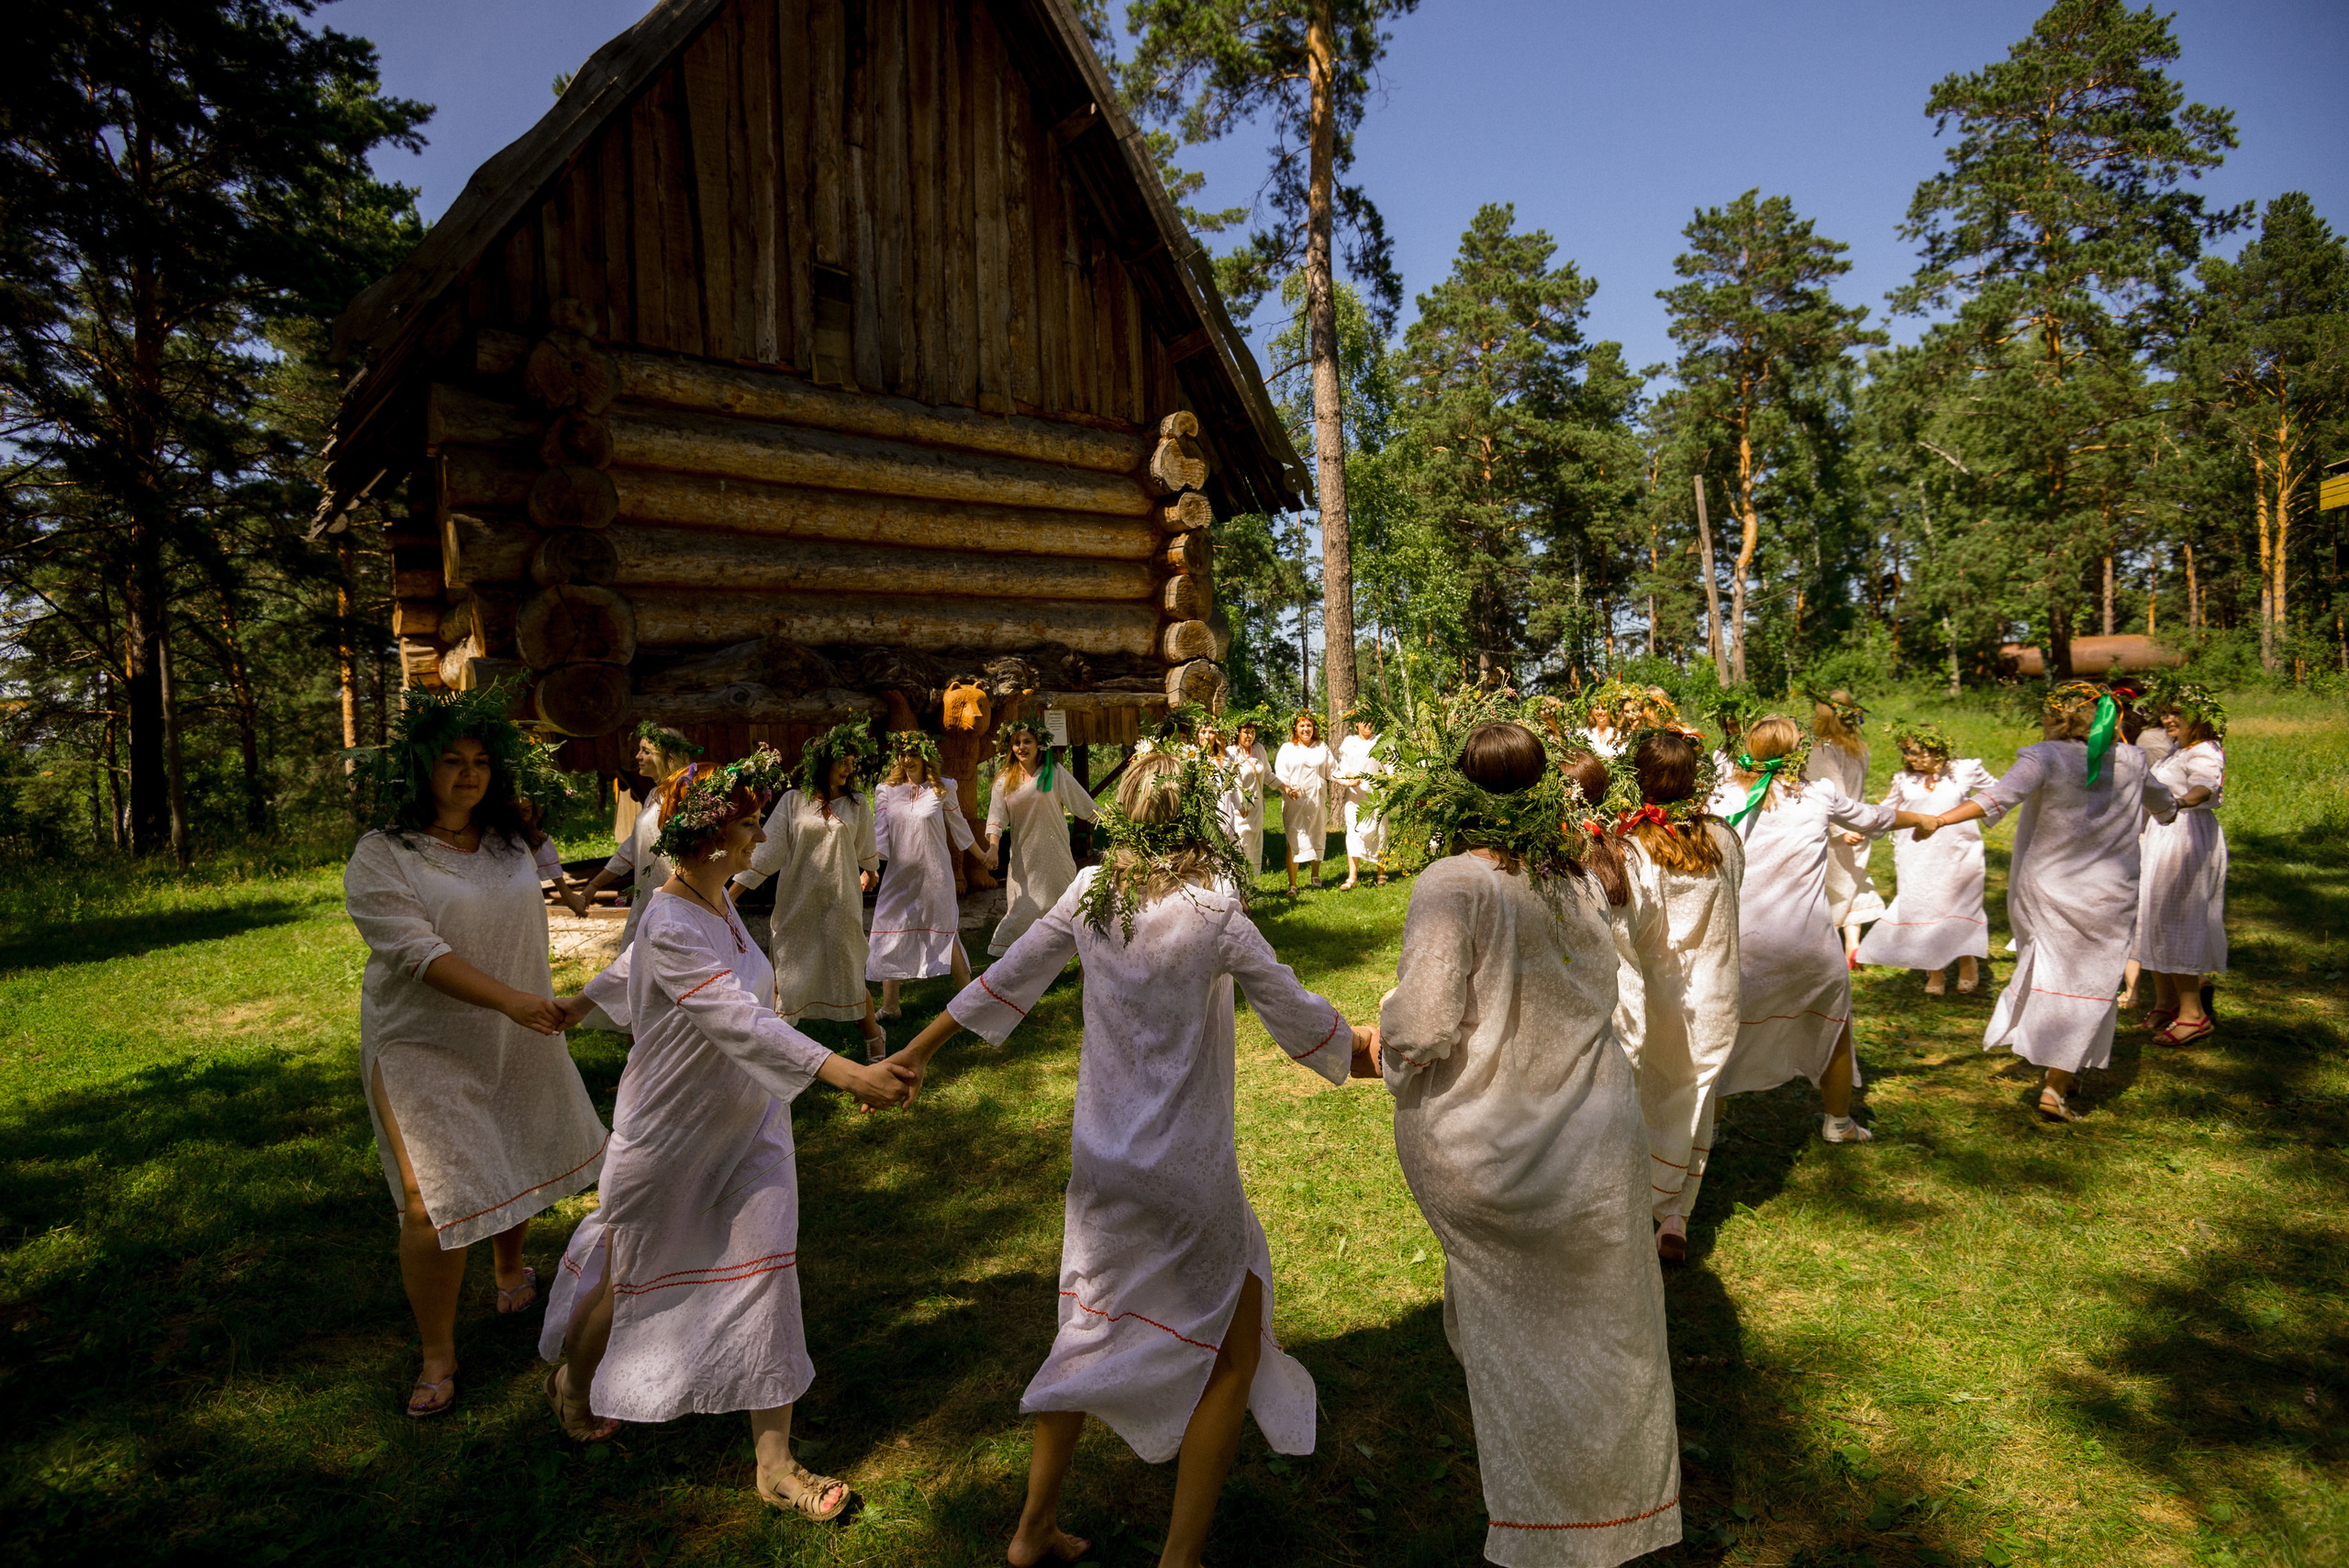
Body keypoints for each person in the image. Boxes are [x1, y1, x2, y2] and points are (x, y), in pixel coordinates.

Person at [888, 749, 1377, 1568]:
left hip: (1104, 1163)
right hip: (1188, 1169)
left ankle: (1032, 1526)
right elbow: (1298, 1015)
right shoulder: (1214, 909)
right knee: (1235, 1333)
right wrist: (1380, 1052)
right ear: (1196, 819)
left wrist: (917, 1051)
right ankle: (1178, 1556)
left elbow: (1006, 979)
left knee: (1085, 1331)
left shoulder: (1090, 895)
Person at [538, 750, 913, 1513]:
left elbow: (639, 961)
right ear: (709, 838)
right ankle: (573, 1383)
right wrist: (846, 1073)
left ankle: (774, 1466)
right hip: (670, 1134)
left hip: (750, 1127)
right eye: (747, 826)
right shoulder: (675, 918)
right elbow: (733, 1015)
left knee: (770, 1273)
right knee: (630, 1272)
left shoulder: (717, 903)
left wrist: (579, 1003)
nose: (757, 839)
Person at [1376, 712, 1682, 1565]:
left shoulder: (1454, 882)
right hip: (1597, 1146)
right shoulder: (1574, 874)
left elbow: (1425, 1024)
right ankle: (1627, 1517)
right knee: (1610, 1335)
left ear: (1454, 792)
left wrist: (1381, 1042)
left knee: (1523, 1339)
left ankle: (1545, 1528)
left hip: (1495, 1151)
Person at [341, 685, 610, 1418]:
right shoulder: (382, 855)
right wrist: (514, 1000)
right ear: (420, 769)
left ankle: (510, 1263)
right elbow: (414, 952)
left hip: (513, 1027)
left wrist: (524, 1003)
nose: (469, 773)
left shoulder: (507, 838)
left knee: (515, 1147)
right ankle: (438, 1351)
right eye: (452, 760)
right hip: (422, 1040)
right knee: (430, 1201)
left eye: (482, 760)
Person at [1912, 682, 2177, 1121]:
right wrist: (2181, 805)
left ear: (2057, 718)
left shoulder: (2044, 755)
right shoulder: (2132, 759)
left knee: (2058, 967)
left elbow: (1997, 798)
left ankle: (2059, 1066)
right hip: (2109, 892)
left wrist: (1939, 819)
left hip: (2048, 885)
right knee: (2092, 979)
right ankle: (2059, 1078)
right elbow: (2164, 806)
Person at [1709, 716, 1936, 1143]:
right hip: (1808, 944)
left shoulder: (1718, 796)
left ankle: (1711, 1128)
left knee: (1723, 1036)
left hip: (1740, 943)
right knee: (1834, 1028)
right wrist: (1923, 819)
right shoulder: (1819, 795)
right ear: (1799, 755)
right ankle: (1838, 1123)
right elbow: (1875, 818)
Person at [1575, 732, 1745, 1264]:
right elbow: (1735, 897)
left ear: (1638, 777)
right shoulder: (1724, 836)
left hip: (1655, 990)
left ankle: (1631, 1205)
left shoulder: (1630, 848)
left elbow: (1624, 928)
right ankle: (1676, 1215)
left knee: (1648, 1091)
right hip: (1715, 987)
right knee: (1695, 1094)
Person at [729, 719, 887, 1057]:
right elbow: (770, 850)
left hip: (841, 900)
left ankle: (874, 1034)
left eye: (852, 761)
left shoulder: (857, 803)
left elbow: (865, 847)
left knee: (847, 967)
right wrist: (732, 894)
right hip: (797, 901)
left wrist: (870, 873)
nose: (848, 767)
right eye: (842, 760)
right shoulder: (793, 801)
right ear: (823, 762)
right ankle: (780, 1047)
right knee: (787, 970)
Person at [1851, 721, 1996, 996]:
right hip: (1917, 852)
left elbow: (1998, 794)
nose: (1910, 758)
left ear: (1937, 750)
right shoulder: (1904, 779)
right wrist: (1860, 827)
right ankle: (1934, 968)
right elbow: (1887, 810)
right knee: (1925, 904)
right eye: (1906, 752)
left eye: (1916, 752)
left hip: (1958, 849)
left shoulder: (1963, 770)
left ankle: (1967, 960)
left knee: (1960, 901)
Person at [2133, 682, 2227, 1045]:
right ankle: (2167, 1002)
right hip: (2161, 835)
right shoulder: (2176, 749)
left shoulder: (2205, 750)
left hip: (2186, 837)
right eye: (2165, 712)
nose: (2167, 718)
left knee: (2177, 918)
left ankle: (2194, 1015)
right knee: (2152, 917)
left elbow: (2205, 786)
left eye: (2176, 712)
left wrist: (2180, 805)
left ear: (2200, 716)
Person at [869, 731, 975, 1020]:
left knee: (945, 930)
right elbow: (879, 834)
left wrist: (983, 854)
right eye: (902, 755)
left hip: (934, 873)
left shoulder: (942, 789)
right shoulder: (886, 791)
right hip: (899, 875)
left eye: (913, 754)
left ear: (925, 756)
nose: (907, 760)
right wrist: (868, 868)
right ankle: (891, 1007)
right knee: (889, 930)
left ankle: (970, 1000)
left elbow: (960, 827)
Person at [985, 718, 1099, 958]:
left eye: (1027, 741)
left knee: (1068, 910)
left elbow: (1082, 802)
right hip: (1024, 860)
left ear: (1040, 744)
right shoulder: (1005, 780)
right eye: (1016, 742)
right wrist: (993, 848)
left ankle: (1086, 961)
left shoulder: (1053, 772)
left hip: (1055, 855)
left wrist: (1112, 824)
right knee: (1022, 911)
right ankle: (1019, 961)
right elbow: (996, 818)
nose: (1021, 747)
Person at [580, 723, 703, 945]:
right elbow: (632, 847)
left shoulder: (682, 794)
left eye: (646, 751)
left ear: (666, 756)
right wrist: (594, 885)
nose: (637, 756)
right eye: (639, 750)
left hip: (675, 905)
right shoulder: (654, 794)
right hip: (648, 899)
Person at [1805, 691, 1886, 967]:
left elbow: (1833, 794)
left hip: (1836, 828)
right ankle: (1853, 945)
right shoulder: (1858, 747)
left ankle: (1829, 948)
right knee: (1854, 881)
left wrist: (1839, 830)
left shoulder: (1822, 750)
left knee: (1830, 889)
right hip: (1860, 824)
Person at [1274, 711, 1333, 895]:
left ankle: (1315, 875)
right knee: (1294, 839)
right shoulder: (1287, 748)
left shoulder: (1322, 747)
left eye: (1309, 725)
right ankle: (1293, 884)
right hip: (1295, 800)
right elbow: (1280, 772)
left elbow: (1333, 769)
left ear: (1314, 728)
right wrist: (1286, 788)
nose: (1306, 729)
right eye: (1302, 726)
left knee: (1317, 834)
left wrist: (1349, 779)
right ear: (1295, 729)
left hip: (1316, 799)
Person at [1332, 711, 1390, 888]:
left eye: (1370, 720)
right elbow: (1343, 768)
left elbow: (1390, 766)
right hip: (1356, 793)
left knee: (1380, 831)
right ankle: (1352, 876)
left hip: (1378, 793)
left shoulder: (1381, 740)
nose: (1367, 724)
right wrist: (1350, 777)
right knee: (1353, 832)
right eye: (1363, 721)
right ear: (1356, 724)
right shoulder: (1349, 743)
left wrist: (1389, 782)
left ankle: (1381, 872)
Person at [1224, 717, 1274, 883]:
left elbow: (1267, 775)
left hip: (1256, 808)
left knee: (1253, 847)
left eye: (1253, 732)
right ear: (1237, 733)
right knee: (1239, 845)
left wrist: (1286, 788)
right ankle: (1237, 886)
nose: (1249, 736)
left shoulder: (1259, 749)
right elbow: (1229, 781)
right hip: (1240, 810)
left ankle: (1250, 886)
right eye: (1246, 732)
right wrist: (1239, 805)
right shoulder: (1231, 752)